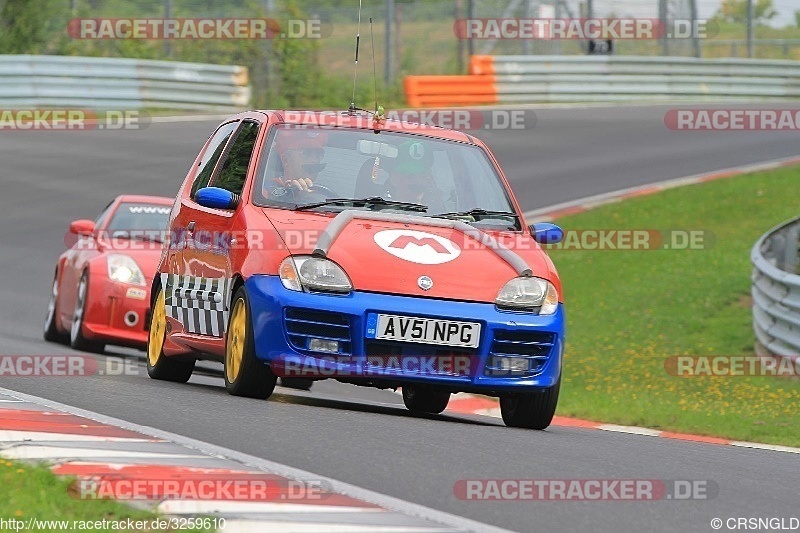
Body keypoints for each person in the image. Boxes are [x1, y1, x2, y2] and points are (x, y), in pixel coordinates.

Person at [263, 129, 327, 200]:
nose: (315, 160)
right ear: (286, 160)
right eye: (306, 153)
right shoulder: (266, 191)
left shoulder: (323, 196)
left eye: (318, 155)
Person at [384, 140, 444, 211]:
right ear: (394, 179)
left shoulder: (441, 217)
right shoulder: (379, 214)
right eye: (410, 175)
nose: (418, 181)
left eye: (423, 175)